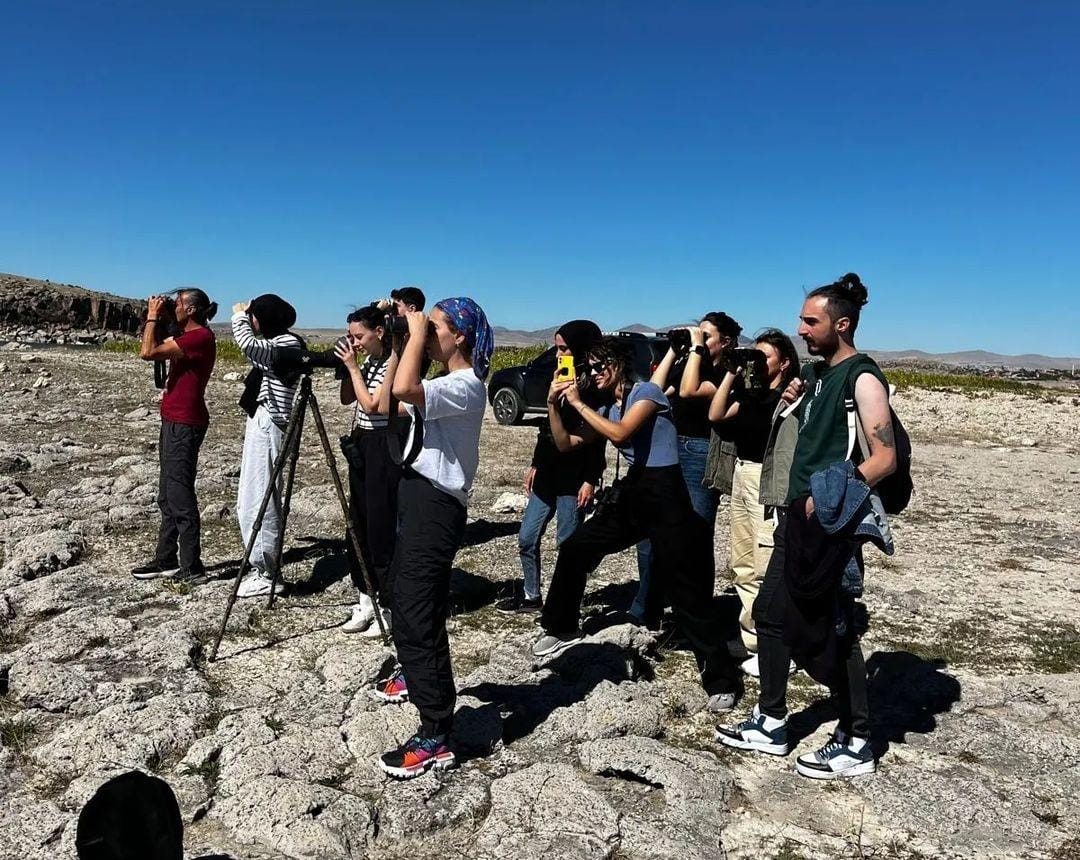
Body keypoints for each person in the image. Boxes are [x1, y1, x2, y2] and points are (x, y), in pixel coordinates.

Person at [716, 273, 897, 780]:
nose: (801, 329)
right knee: (772, 615)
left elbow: (885, 457)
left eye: (810, 321)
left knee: (829, 630)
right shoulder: (818, 377)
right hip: (798, 517)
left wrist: (827, 500)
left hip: (827, 523)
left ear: (841, 324)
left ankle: (858, 737)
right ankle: (771, 722)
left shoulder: (862, 377)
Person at [532, 336, 741, 711]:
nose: (593, 374)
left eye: (600, 366)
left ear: (619, 365)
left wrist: (578, 403)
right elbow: (566, 444)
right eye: (589, 368)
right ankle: (561, 626)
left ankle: (722, 678)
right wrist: (552, 405)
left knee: (686, 592)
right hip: (634, 490)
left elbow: (622, 433)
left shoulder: (648, 392)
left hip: (666, 493)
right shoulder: (608, 408)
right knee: (577, 546)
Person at [373, 297, 493, 779]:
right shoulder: (445, 381)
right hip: (418, 496)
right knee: (405, 601)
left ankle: (437, 732)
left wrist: (416, 330)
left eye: (438, 326)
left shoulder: (466, 386)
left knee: (418, 610)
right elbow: (387, 401)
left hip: (438, 507)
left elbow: (403, 388)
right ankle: (424, 693)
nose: (431, 331)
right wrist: (406, 337)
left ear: (459, 335)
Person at [631, 312, 742, 626]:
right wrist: (673, 350)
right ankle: (646, 607)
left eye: (708, 336)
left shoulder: (729, 372)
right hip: (668, 449)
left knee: (693, 537)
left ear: (728, 341)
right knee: (649, 532)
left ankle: (693, 617)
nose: (702, 342)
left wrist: (694, 350)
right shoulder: (688, 362)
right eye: (699, 335)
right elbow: (653, 389)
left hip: (700, 453)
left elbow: (689, 391)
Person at [496, 320, 605, 614]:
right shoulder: (558, 379)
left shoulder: (596, 389)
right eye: (557, 349)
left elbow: (597, 441)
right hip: (548, 473)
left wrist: (590, 480)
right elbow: (546, 428)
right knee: (527, 537)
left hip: (575, 477)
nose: (559, 355)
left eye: (564, 349)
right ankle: (532, 596)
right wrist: (535, 463)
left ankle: (566, 602)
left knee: (567, 544)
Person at [708, 329, 800, 673]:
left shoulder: (790, 397)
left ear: (785, 362)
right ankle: (753, 641)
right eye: (754, 355)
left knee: (765, 565)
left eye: (764, 357)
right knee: (742, 563)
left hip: (768, 478)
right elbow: (716, 415)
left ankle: (777, 647)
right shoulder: (751, 393)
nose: (756, 362)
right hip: (742, 474)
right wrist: (733, 370)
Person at [132, 289, 217, 584]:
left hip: (185, 423)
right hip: (173, 420)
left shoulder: (200, 337)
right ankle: (165, 558)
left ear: (192, 309)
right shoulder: (185, 336)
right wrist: (164, 319)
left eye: (178, 304)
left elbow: (147, 352)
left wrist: (153, 315)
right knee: (167, 495)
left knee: (180, 495)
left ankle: (192, 566)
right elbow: (155, 345)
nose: (174, 307)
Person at [230, 295, 304, 598]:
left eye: (255, 316)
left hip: (272, 423)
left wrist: (238, 317)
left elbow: (250, 346)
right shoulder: (282, 341)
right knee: (250, 495)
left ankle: (267, 571)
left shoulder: (287, 344)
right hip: (264, 419)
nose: (251, 321)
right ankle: (262, 565)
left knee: (260, 495)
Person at [335, 303, 399, 635]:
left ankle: (386, 605)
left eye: (358, 336)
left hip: (382, 446)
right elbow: (349, 399)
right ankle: (364, 598)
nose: (354, 343)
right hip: (361, 442)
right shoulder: (368, 361)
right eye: (350, 337)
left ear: (380, 332)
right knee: (356, 523)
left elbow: (376, 405)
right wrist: (350, 368)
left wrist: (354, 369)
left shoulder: (393, 362)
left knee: (380, 526)